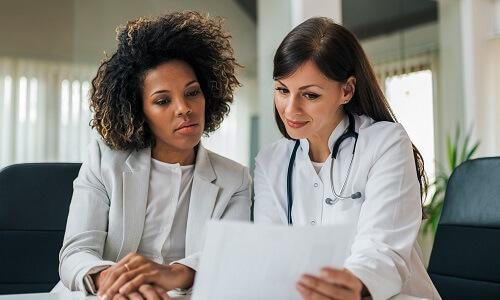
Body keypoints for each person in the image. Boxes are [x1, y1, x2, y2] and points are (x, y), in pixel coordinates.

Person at [55, 11, 251, 300]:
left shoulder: (235, 179)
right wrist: (112, 279)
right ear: (138, 111)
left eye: (193, 92)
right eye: (162, 101)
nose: (184, 108)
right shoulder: (104, 161)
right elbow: (75, 253)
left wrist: (172, 273)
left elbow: (230, 258)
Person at [253, 17, 440, 300]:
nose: (290, 109)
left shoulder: (385, 142)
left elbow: (382, 250)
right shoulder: (271, 162)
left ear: (346, 90)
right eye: (282, 90)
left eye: (310, 95)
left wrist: (349, 285)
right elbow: (270, 251)